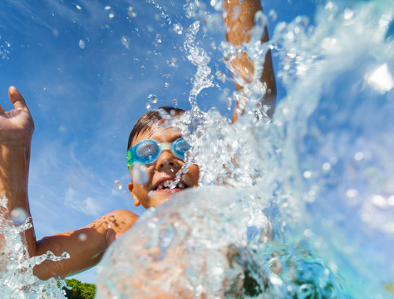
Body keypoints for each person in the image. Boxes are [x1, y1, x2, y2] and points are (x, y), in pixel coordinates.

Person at [0, 0, 276, 282]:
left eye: (184, 149)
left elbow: (256, 98)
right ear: (133, 191)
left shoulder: (226, 214)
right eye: (146, 152)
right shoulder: (119, 228)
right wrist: (12, 151)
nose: (168, 160)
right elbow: (23, 267)